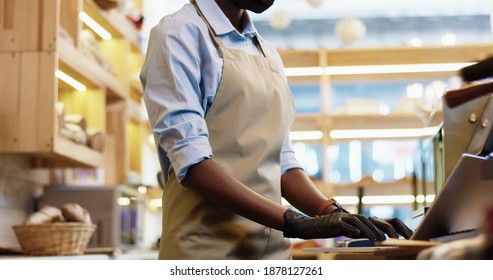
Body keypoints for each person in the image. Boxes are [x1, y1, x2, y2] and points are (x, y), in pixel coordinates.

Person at [140, 0, 413, 260]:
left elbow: (281, 162)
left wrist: (338, 215)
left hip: (271, 252)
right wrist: (294, 222)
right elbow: (194, 163)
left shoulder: (266, 52)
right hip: (204, 251)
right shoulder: (178, 34)